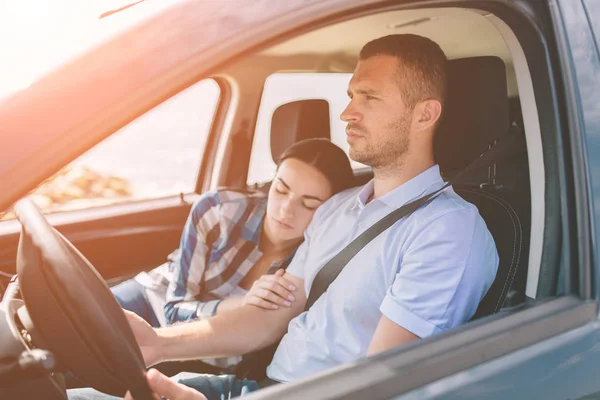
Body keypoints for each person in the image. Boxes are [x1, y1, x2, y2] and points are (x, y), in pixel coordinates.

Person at [69, 34, 499, 400]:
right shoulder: (337, 208)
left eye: (369, 97)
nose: (347, 112)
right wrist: (158, 343)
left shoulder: (446, 232)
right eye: (351, 95)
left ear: (425, 114)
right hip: (259, 386)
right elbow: (271, 315)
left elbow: (380, 385)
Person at [111, 138, 355, 370]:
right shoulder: (220, 211)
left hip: (207, 350)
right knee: (78, 325)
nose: (286, 210)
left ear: (330, 212)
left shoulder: (310, 264)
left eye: (309, 204)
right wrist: (242, 303)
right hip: (153, 299)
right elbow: (173, 309)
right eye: (280, 190)